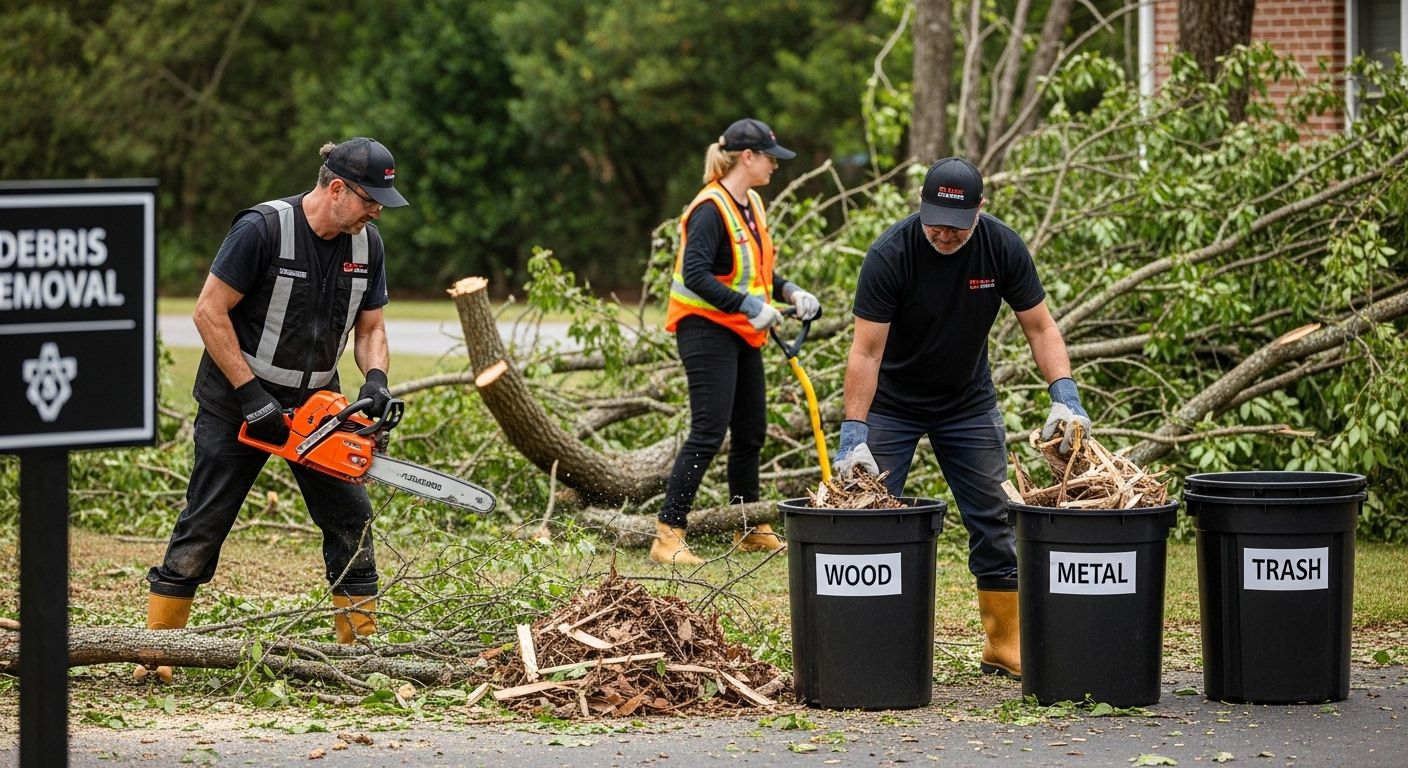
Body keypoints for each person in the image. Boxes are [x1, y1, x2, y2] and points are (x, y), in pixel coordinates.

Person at [136, 138, 409, 682]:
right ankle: (156, 653)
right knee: (206, 519)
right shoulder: (261, 230)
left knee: (350, 519)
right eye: (370, 199)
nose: (378, 210)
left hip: (318, 406)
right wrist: (250, 395)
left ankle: (361, 653)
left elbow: (371, 327)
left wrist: (375, 379)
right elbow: (209, 313)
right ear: (336, 188)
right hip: (236, 401)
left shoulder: (367, 245)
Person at [831, 157, 1091, 679]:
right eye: (934, 221)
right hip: (892, 403)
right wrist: (854, 433)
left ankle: (1004, 642)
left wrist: (1066, 396)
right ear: (920, 207)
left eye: (956, 223)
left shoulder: (1002, 247)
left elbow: (1040, 328)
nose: (945, 234)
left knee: (995, 517)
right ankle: (866, 637)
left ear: (980, 210)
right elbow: (866, 352)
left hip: (966, 402)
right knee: (865, 515)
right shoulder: (890, 254)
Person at [654, 118, 822, 566]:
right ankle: (668, 533)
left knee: (751, 432)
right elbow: (696, 275)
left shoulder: (751, 204)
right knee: (709, 431)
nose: (775, 166)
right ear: (747, 157)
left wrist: (790, 293)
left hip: (742, 330)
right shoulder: (710, 208)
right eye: (770, 158)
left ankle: (747, 527)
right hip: (705, 328)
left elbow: (759, 270)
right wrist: (750, 306)